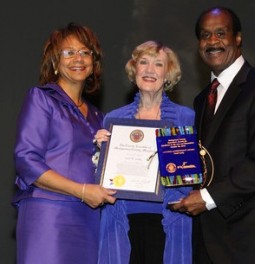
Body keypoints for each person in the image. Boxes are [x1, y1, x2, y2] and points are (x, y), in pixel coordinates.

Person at [169, 6, 255, 264]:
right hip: (209, 237)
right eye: (205, 35)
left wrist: (206, 198)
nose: (213, 41)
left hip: (253, 238)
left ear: (237, 38)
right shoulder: (201, 99)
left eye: (221, 33)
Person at [12, 22, 116, 264]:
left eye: (85, 52)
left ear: (94, 62)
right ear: (54, 62)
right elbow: (26, 161)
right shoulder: (41, 99)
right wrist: (81, 191)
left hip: (89, 219)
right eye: (68, 52)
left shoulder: (99, 117)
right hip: (49, 216)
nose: (77, 58)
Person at [94, 40, 195, 264]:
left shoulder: (184, 118)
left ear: (168, 74)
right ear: (134, 69)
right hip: (122, 221)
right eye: (144, 62)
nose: (150, 70)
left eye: (159, 64)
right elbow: (102, 182)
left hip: (167, 222)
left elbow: (187, 181)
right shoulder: (113, 120)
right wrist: (100, 154)